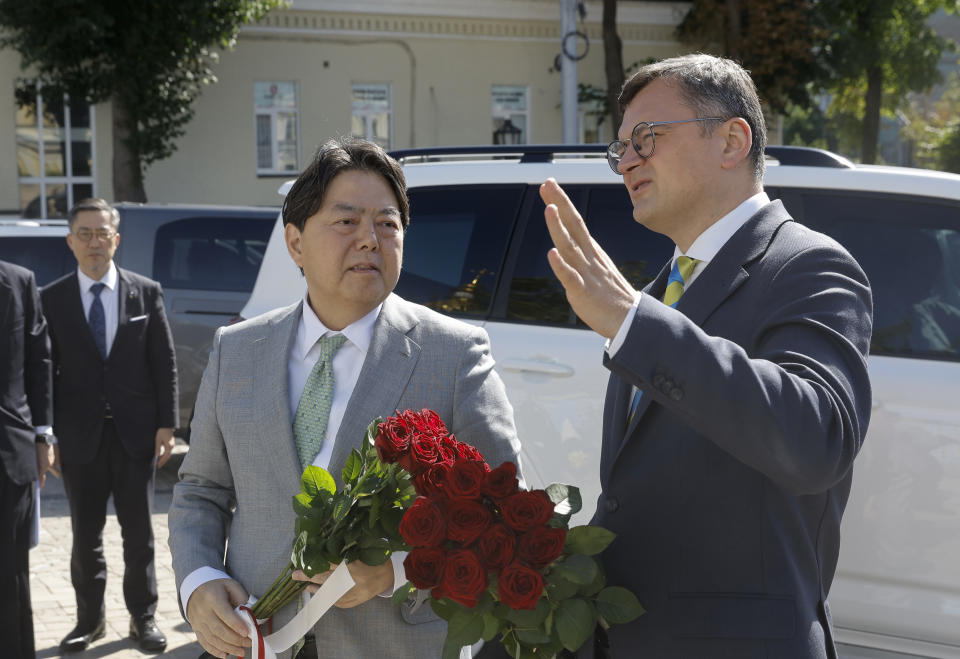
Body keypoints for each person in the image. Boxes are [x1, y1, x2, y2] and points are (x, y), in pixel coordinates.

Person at [540, 54, 872, 658]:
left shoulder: (808, 264)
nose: (628, 161)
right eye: (620, 150)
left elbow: (814, 439)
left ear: (732, 139)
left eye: (646, 138)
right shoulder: (654, 295)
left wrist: (633, 323)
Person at [168, 137, 522, 659]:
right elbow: (201, 490)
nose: (369, 240)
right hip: (254, 639)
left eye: (387, 224)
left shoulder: (453, 353)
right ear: (295, 243)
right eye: (346, 221)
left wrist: (394, 570)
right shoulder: (237, 349)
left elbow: (502, 508)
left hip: (392, 641)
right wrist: (198, 582)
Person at [41, 198, 178, 653]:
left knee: (139, 534)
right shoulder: (52, 298)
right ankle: (89, 620)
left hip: (135, 435)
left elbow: (164, 361)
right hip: (78, 438)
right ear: (70, 241)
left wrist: (167, 424)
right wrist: (47, 434)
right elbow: (43, 371)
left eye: (103, 233)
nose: (95, 242)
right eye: (85, 233)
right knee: (85, 536)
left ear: (117, 239)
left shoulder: (145, 292)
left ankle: (143, 619)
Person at [0, 259, 54, 658]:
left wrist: (43, 435)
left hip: (10, 453)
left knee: (10, 572)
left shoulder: (19, 281)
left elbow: (39, 361)